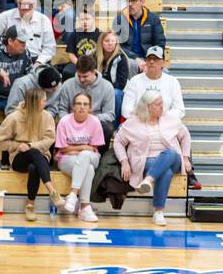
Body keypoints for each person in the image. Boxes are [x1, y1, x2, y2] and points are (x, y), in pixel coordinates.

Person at [115, 92, 192, 227]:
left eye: (162, 103)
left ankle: (148, 180)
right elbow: (118, 141)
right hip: (146, 161)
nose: (162, 107)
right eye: (158, 104)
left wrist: (185, 158)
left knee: (171, 153)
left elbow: (185, 136)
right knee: (165, 172)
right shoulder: (133, 122)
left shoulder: (170, 118)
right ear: (147, 106)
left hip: (173, 159)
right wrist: (124, 161)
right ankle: (158, 212)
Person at [0, 86, 63, 220]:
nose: (46, 102)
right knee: (33, 154)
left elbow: (50, 139)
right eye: (43, 100)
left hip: (41, 155)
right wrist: (17, 145)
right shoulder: (14, 117)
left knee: (33, 167)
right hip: (19, 158)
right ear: (35, 102)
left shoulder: (47, 116)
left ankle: (30, 205)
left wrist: (31, 145)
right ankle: (52, 191)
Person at [55, 90, 105, 222]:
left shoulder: (95, 122)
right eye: (78, 103)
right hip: (66, 159)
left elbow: (94, 148)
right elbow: (62, 148)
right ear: (73, 106)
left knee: (86, 157)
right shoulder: (64, 121)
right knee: (87, 168)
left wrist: (75, 150)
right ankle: (84, 207)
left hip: (91, 157)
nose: (82, 106)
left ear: (90, 107)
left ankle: (73, 194)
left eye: (85, 104)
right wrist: (83, 147)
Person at [120, 46, 183, 121]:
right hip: (139, 122)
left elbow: (179, 110)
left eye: (156, 59)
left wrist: (160, 116)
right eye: (149, 58)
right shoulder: (135, 81)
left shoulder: (172, 82)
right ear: (146, 61)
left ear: (163, 63)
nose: (152, 61)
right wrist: (144, 116)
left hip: (164, 123)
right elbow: (126, 109)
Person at [113, 0, 167, 70]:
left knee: (165, 72)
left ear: (142, 2)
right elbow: (117, 45)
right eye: (127, 1)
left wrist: (150, 60)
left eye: (133, 0)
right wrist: (135, 58)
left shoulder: (153, 19)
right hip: (128, 59)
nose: (130, 4)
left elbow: (160, 43)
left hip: (149, 58)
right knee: (131, 65)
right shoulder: (119, 19)